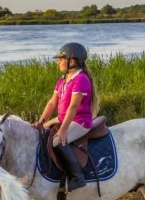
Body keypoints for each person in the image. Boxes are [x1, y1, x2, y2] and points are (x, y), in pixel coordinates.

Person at [34, 42, 98, 192]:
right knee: (40, 132)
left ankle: (77, 177)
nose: (58, 62)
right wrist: (41, 121)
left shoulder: (81, 80)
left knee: (57, 142)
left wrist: (63, 130)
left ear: (72, 61)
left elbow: (73, 107)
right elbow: (52, 103)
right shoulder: (62, 80)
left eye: (61, 59)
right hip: (63, 118)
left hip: (79, 121)